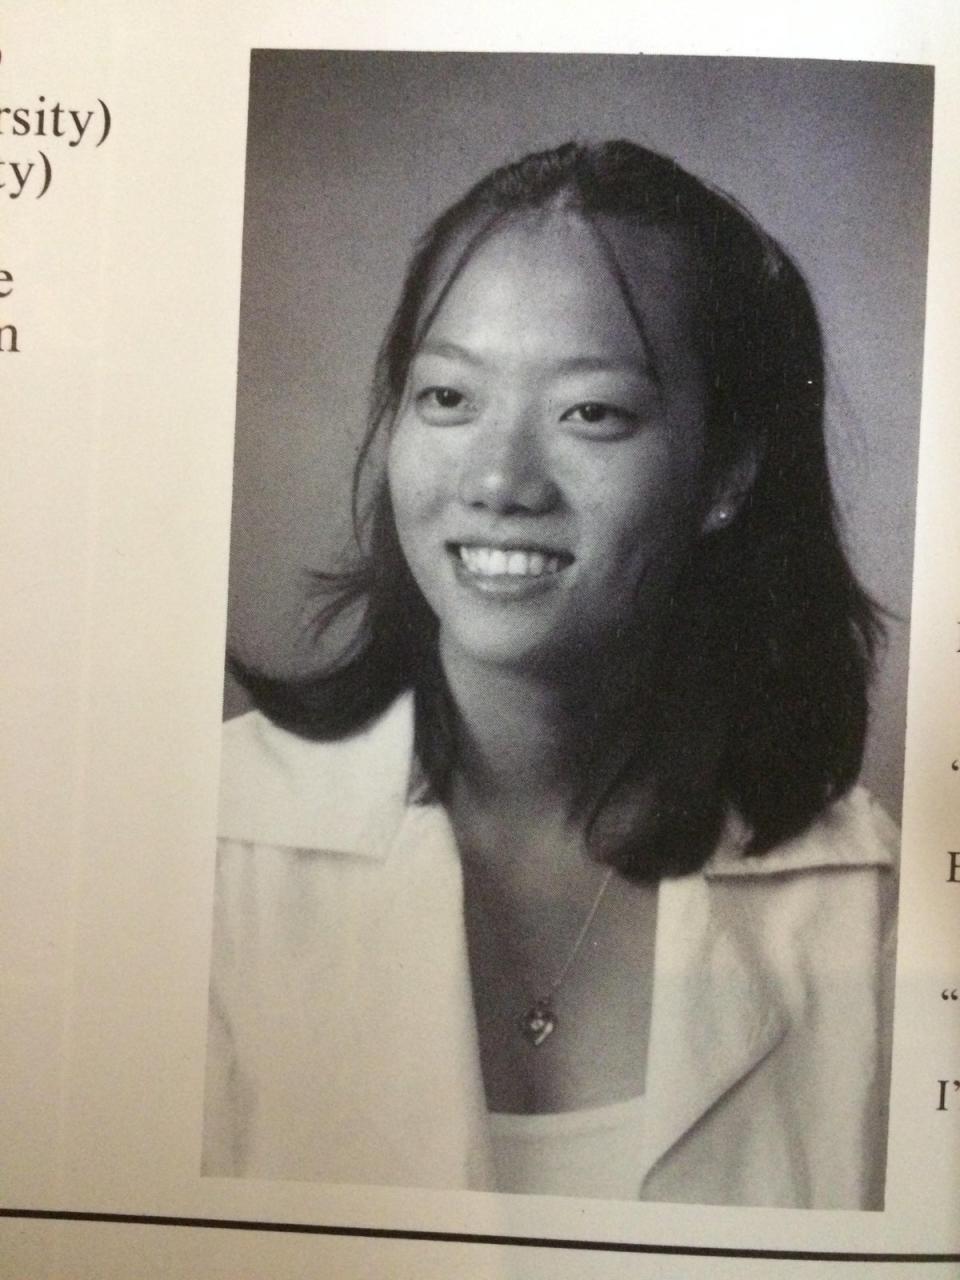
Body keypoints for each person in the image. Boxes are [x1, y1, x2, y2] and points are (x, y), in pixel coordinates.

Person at [202, 141, 898, 1208]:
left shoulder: (879, 906)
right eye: (447, 397)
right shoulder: (199, 845)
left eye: (592, 412)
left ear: (726, 470)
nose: (497, 479)